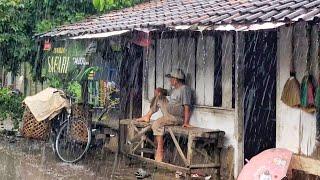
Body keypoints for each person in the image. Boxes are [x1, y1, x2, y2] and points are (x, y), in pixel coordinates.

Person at [136, 68, 193, 162]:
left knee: (156, 124)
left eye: (171, 79)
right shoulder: (175, 89)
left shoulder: (185, 89)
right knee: (159, 97)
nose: (170, 80)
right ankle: (147, 116)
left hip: (176, 117)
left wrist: (186, 122)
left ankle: (160, 150)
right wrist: (160, 90)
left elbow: (187, 106)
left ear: (176, 79)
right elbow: (165, 92)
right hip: (169, 113)